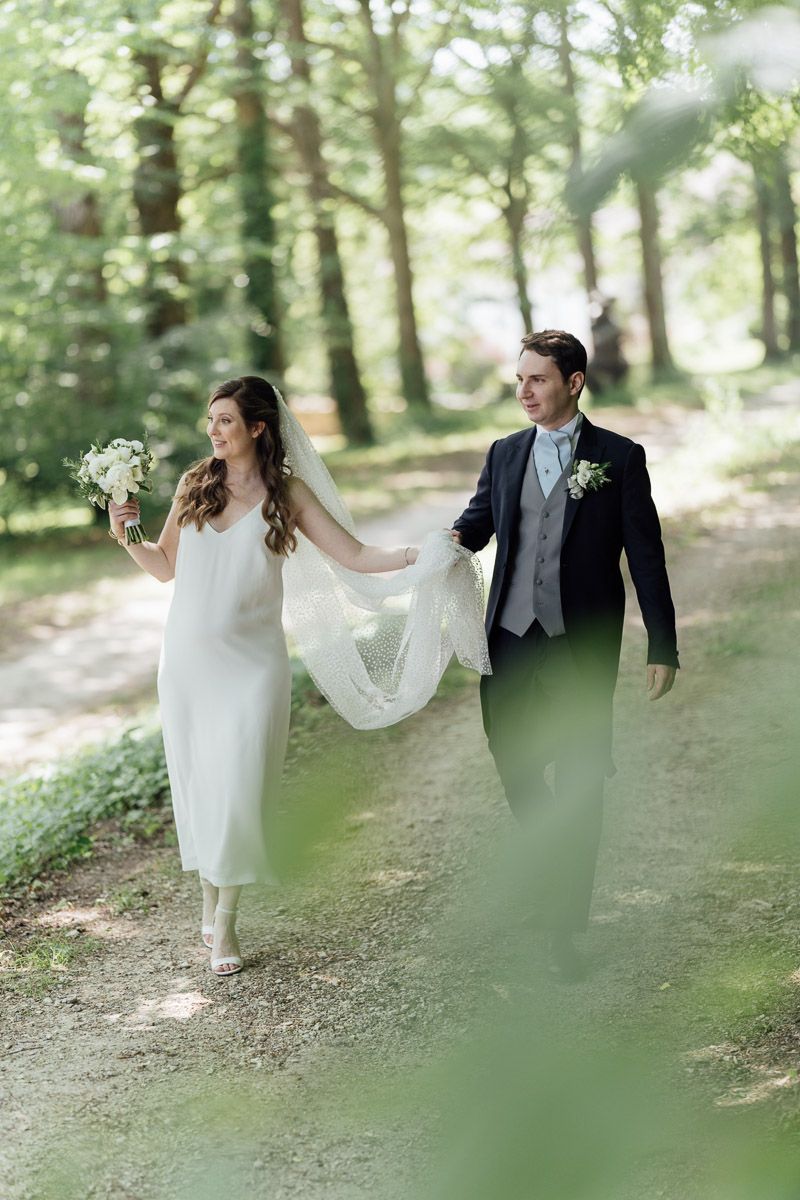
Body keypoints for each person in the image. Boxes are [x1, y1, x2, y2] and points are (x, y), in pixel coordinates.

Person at [108, 376, 438, 978]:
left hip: (254, 668)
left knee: (240, 785)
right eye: (210, 421)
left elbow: (357, 556)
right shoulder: (193, 485)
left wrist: (420, 556)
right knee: (205, 787)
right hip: (187, 664)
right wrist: (124, 531)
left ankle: (226, 922)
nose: (213, 431)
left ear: (258, 427)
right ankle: (210, 896)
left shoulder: (288, 493)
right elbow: (162, 569)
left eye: (226, 421)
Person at [451, 330, 678, 982]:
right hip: (513, 641)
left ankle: (564, 927)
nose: (523, 392)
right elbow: (474, 525)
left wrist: (661, 643)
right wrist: (436, 551)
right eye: (519, 380)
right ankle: (556, 865)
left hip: (580, 646)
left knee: (579, 783)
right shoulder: (504, 454)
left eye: (537, 380)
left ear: (573, 383)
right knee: (513, 758)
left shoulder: (619, 457)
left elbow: (646, 556)